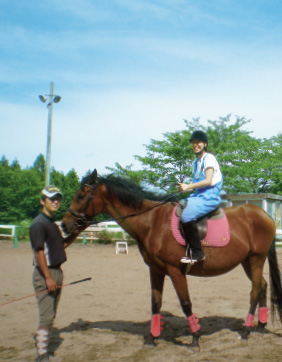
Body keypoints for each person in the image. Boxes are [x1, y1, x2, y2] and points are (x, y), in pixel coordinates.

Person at [30, 185, 77, 362]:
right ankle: (42, 355)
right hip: (45, 274)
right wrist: (48, 277)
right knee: (47, 315)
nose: (56, 201)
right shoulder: (38, 224)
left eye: (58, 198)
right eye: (52, 198)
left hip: (57, 271)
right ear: (43, 201)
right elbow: (39, 252)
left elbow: (61, 245)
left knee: (51, 315)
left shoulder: (52, 224)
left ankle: (45, 351)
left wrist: (76, 234)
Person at [178, 130, 223, 264]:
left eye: (198, 142)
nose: (195, 145)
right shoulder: (196, 162)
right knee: (178, 205)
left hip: (210, 197)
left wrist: (188, 186)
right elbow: (197, 185)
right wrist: (184, 188)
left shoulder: (209, 158)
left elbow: (208, 181)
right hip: (199, 195)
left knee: (186, 216)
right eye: (193, 142)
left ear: (205, 144)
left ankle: (198, 253)